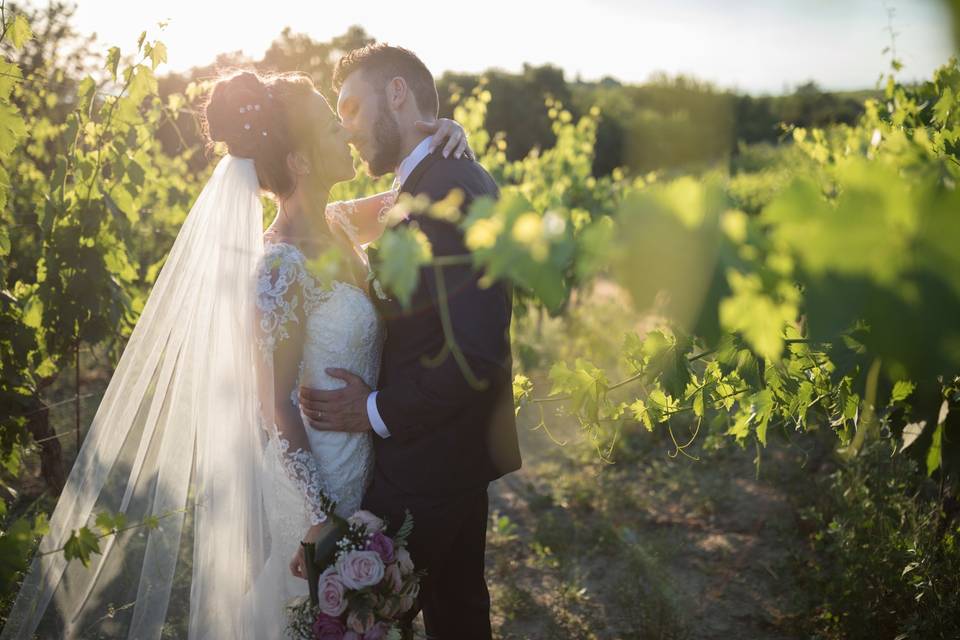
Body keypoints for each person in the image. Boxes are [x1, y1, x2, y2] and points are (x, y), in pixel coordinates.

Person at [0, 69, 470, 640]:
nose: (345, 136)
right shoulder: (279, 268)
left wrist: (445, 134)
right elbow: (274, 405)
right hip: (316, 482)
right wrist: (322, 519)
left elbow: (416, 191)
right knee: (309, 615)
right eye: (329, 127)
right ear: (298, 162)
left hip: (367, 466)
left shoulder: (342, 224)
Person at [298, 44, 522, 640]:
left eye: (351, 107)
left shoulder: (450, 186)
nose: (346, 130)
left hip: (429, 466)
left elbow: (475, 351)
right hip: (445, 458)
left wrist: (370, 410)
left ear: (397, 94)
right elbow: (338, 217)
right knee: (458, 617)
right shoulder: (425, 182)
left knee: (352, 621)